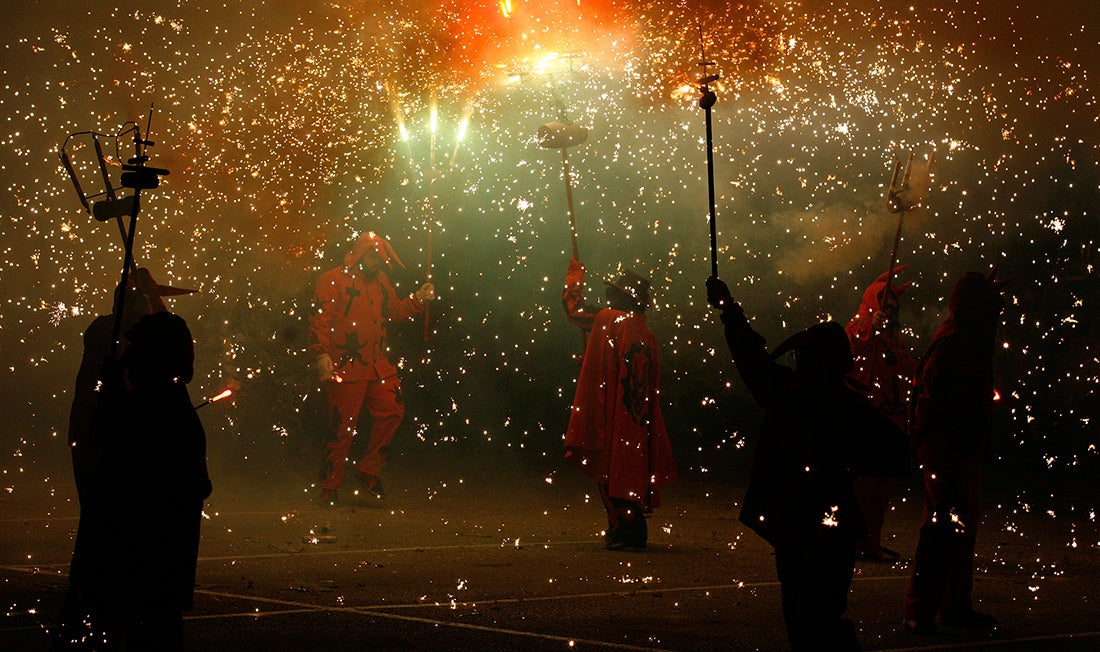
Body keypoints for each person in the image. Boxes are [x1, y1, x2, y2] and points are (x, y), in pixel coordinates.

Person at [706, 276, 907, 651]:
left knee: (804, 616)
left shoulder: (785, 392)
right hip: (835, 527)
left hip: (794, 523)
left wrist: (727, 309)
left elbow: (750, 356)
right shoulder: (850, 407)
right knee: (826, 613)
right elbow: (897, 452)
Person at [53, 269, 195, 650]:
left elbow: (175, 353)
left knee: (111, 526)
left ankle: (108, 597)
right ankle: (104, 600)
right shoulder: (116, 334)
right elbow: (174, 351)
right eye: (149, 300)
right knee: (107, 524)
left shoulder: (136, 335)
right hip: (103, 440)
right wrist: (156, 311)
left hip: (107, 437)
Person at [88, 310, 212, 651]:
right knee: (158, 622)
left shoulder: (151, 404)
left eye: (132, 348)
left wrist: (109, 391)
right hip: (163, 556)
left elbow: (103, 437)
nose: (126, 354)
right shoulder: (169, 401)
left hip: (145, 551)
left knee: (145, 624)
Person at [903, 269, 1008, 634]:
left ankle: (955, 608)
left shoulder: (967, 338)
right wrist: (944, 444)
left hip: (957, 449)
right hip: (947, 451)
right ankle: (921, 611)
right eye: (990, 306)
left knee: (958, 531)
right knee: (941, 531)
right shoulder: (957, 342)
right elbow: (932, 400)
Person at [308, 232, 434, 505]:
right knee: (342, 427)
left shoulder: (380, 281)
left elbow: (395, 310)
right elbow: (320, 319)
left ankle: (368, 470)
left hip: (378, 365)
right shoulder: (332, 280)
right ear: (359, 253)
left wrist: (417, 298)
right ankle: (328, 486)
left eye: (381, 258)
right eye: (373, 256)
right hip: (346, 365)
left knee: (393, 409)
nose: (377, 262)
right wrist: (321, 354)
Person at [562, 258, 676, 550]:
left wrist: (574, 277)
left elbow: (574, 311)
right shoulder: (644, 331)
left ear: (624, 297)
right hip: (637, 415)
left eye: (613, 292)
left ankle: (624, 529)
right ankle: (630, 527)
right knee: (630, 466)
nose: (608, 296)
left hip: (616, 412)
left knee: (609, 465)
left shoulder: (610, 318)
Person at [844, 267, 917, 561]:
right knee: (861, 488)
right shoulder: (859, 328)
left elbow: (909, 374)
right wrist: (870, 326)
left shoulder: (895, 342)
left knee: (883, 489)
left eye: (893, 303)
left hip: (893, 422)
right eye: (883, 300)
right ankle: (850, 541)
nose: (889, 306)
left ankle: (870, 542)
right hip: (867, 421)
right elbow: (853, 346)